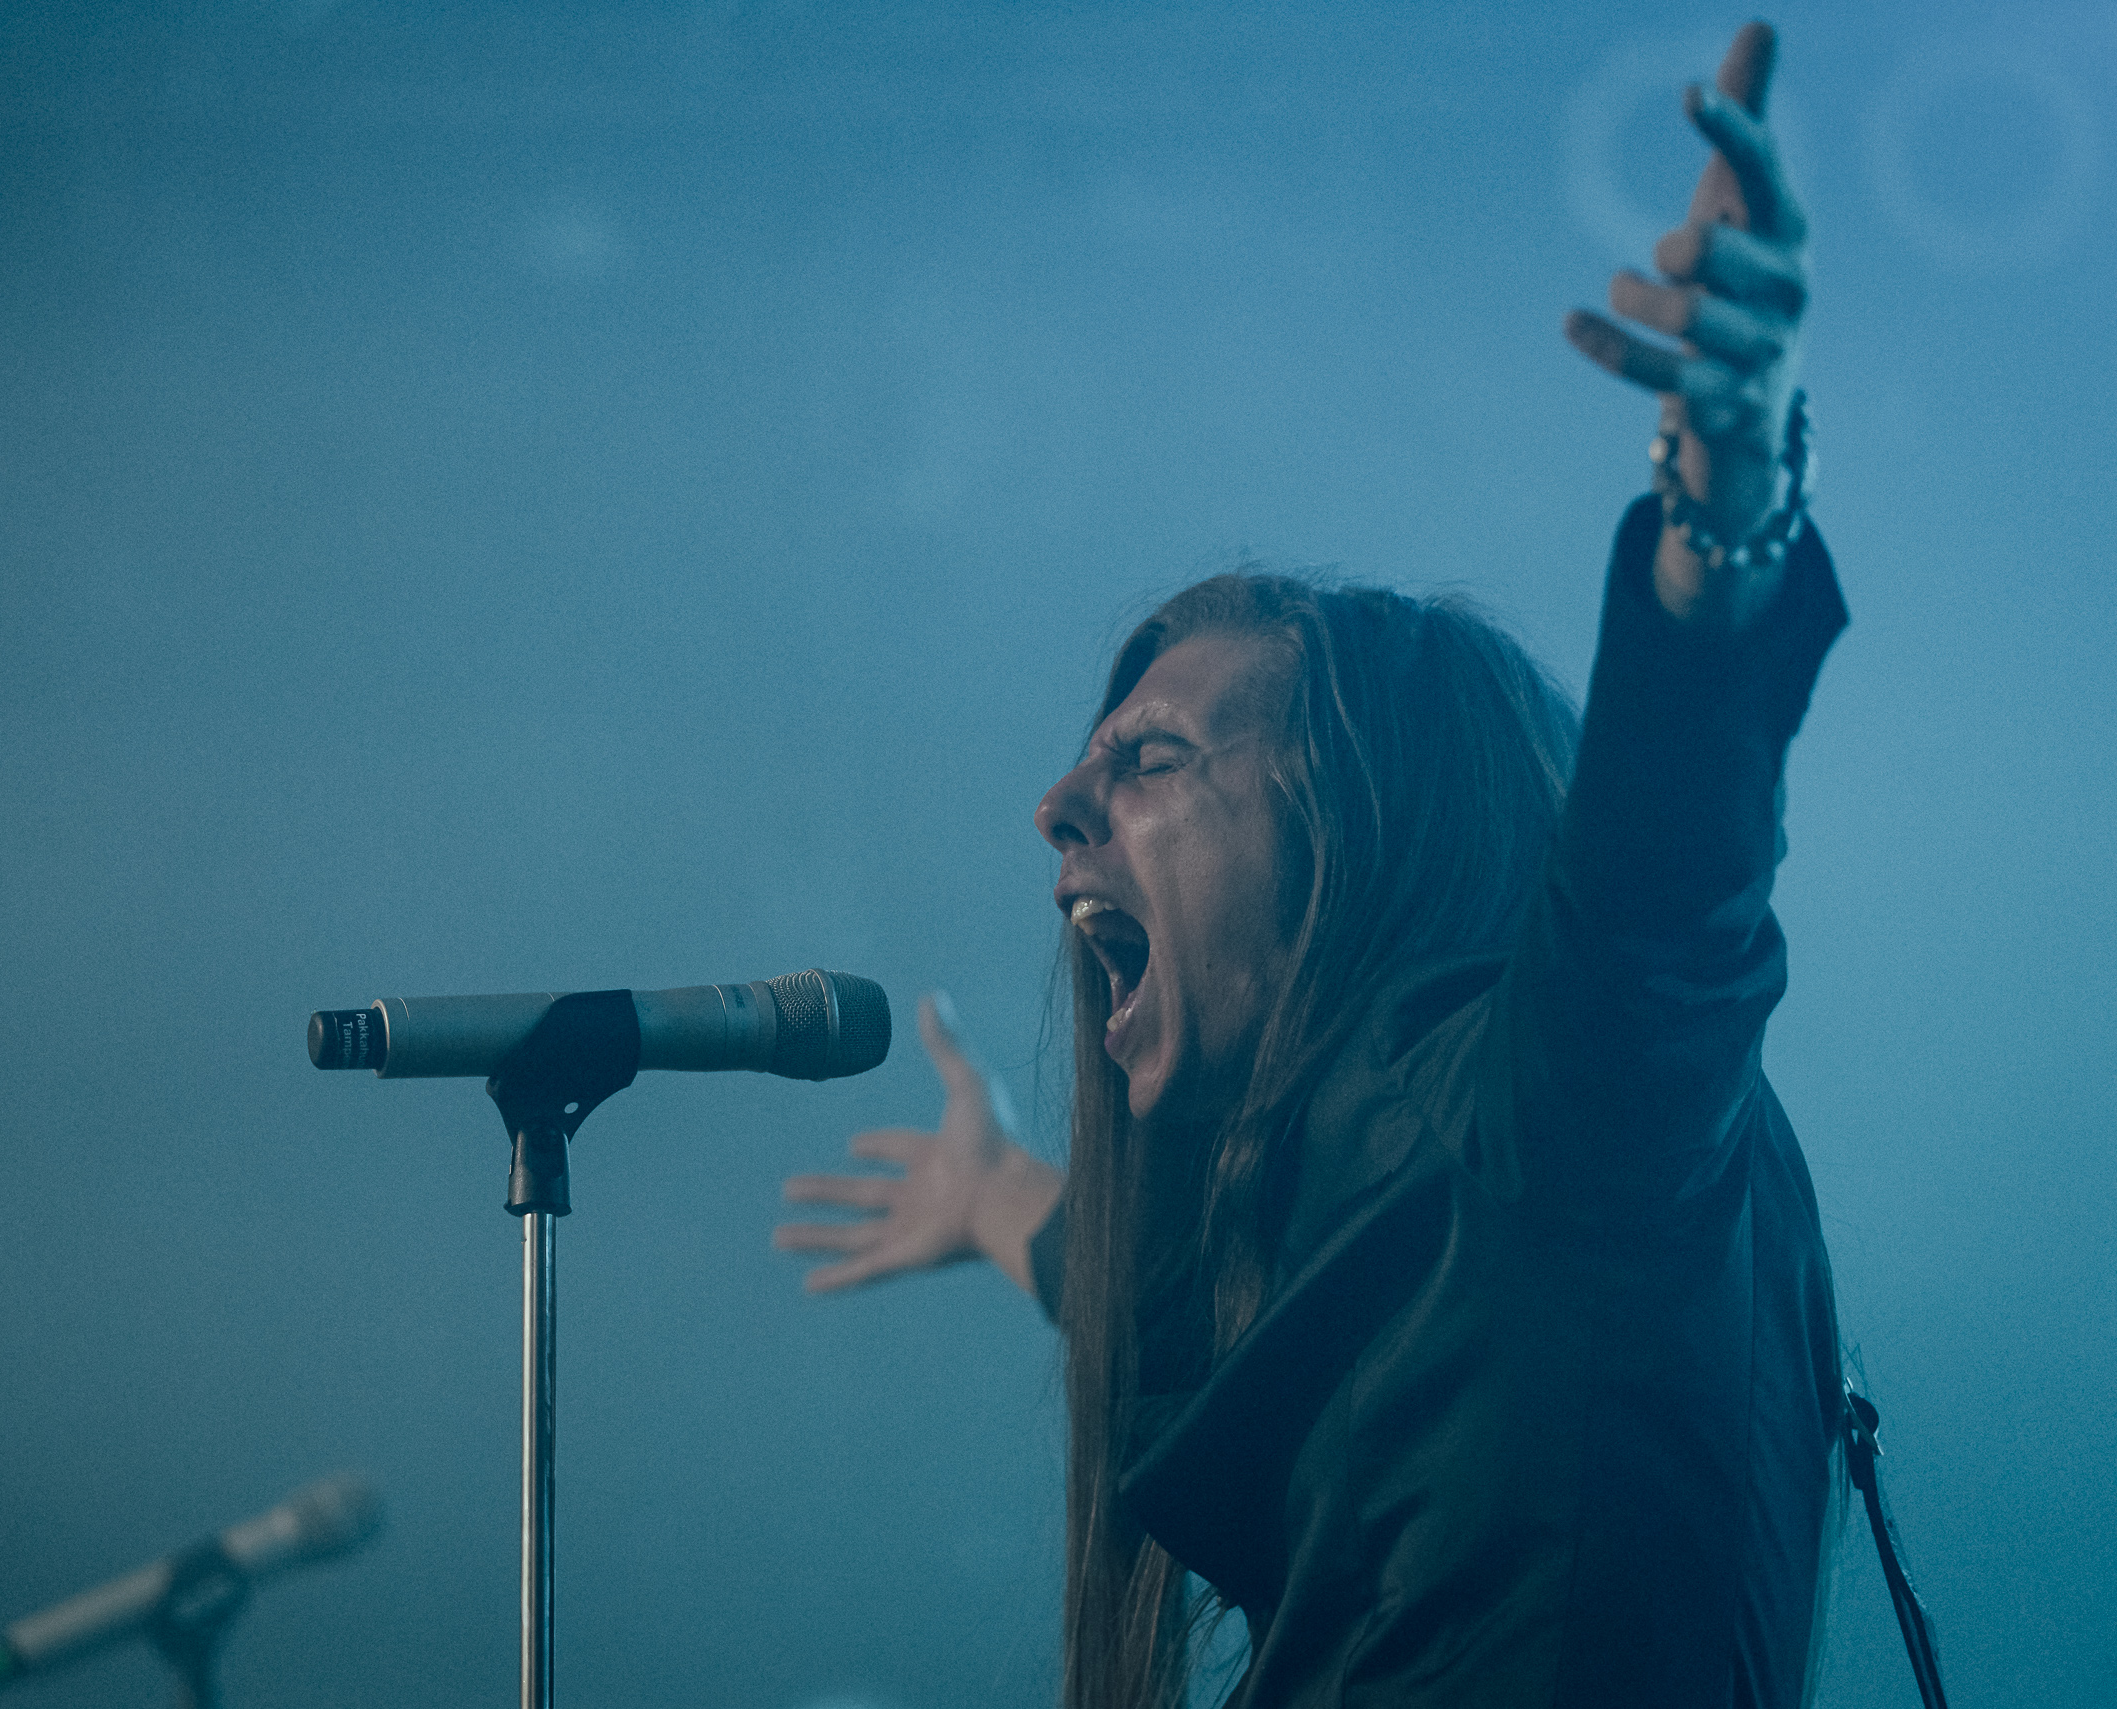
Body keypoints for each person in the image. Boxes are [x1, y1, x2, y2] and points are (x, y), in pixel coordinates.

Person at [776, 23, 1850, 1709]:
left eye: (1151, 758)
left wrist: (1726, 493)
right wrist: (999, 1203)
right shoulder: (1379, 1213)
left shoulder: (1554, 1115)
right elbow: (1189, 1332)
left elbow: (1666, 891)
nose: (1056, 805)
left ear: (1362, 834)